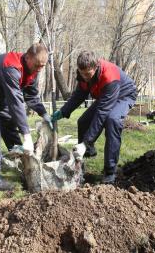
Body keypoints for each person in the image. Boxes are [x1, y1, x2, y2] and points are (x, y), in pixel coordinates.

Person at [0, 43, 53, 191]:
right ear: (27, 57)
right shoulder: (11, 66)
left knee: (8, 119)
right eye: (37, 65)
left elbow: (31, 96)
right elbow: (15, 102)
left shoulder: (33, 69)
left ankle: (19, 159)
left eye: (42, 66)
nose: (39, 69)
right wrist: (26, 136)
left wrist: (44, 113)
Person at [52, 51, 137, 184]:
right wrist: (63, 111)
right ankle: (87, 154)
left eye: (88, 74)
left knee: (112, 120)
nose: (85, 77)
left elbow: (101, 114)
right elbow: (78, 96)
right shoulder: (83, 76)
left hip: (124, 94)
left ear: (96, 67)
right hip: (105, 96)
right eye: (82, 73)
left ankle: (110, 171)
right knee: (83, 121)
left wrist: (85, 142)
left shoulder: (109, 76)